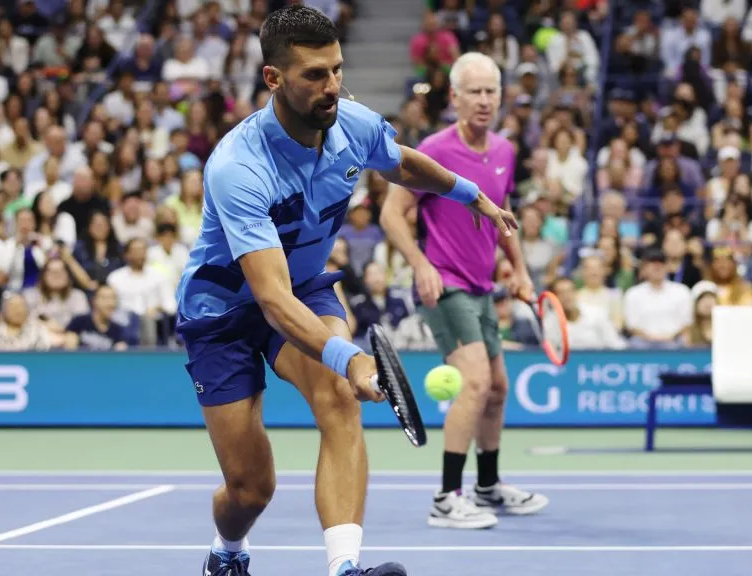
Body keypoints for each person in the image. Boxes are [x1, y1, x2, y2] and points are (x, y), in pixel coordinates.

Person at [174, 7, 517, 576]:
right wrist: (351, 355)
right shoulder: (238, 167)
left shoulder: (351, 122)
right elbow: (271, 302)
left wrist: (469, 193)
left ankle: (344, 569)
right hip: (225, 310)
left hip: (304, 286)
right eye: (314, 75)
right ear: (274, 79)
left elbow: (401, 163)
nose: (331, 86)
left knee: (338, 397)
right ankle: (226, 553)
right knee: (250, 490)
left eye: (336, 69)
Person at [380, 52, 548, 531]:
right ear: (454, 97)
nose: (483, 100)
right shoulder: (431, 149)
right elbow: (392, 214)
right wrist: (420, 264)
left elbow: (504, 212)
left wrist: (518, 270)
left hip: (482, 286)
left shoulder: (505, 152)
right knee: (474, 384)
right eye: (473, 91)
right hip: (445, 285)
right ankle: (446, 497)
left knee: (497, 388)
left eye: (491, 90)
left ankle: (488, 486)